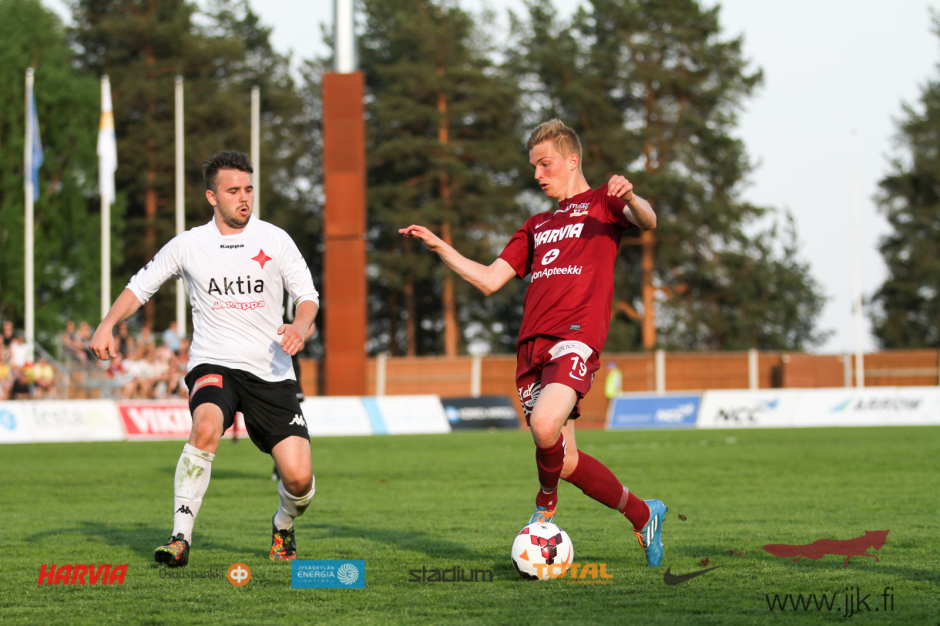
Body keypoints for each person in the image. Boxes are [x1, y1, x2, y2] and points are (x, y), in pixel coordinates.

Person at [400, 119, 667, 568]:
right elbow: (489, 280)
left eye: (545, 164)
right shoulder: (536, 225)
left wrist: (632, 197)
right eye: (534, 167)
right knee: (566, 460)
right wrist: (440, 246)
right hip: (531, 349)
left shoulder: (603, 202)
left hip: (575, 338)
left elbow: (648, 220)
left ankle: (545, 504)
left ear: (572, 160)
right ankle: (644, 515)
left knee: (544, 428)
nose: (538, 175)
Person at [90, 150, 319, 567]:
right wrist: (107, 323)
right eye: (233, 191)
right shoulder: (189, 245)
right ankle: (180, 538)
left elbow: (307, 298)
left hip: (271, 371)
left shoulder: (275, 239)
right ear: (212, 196)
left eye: (249, 189)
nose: (244, 198)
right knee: (206, 428)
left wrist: (299, 328)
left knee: (300, 480)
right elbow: (140, 287)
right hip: (214, 363)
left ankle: (283, 524)